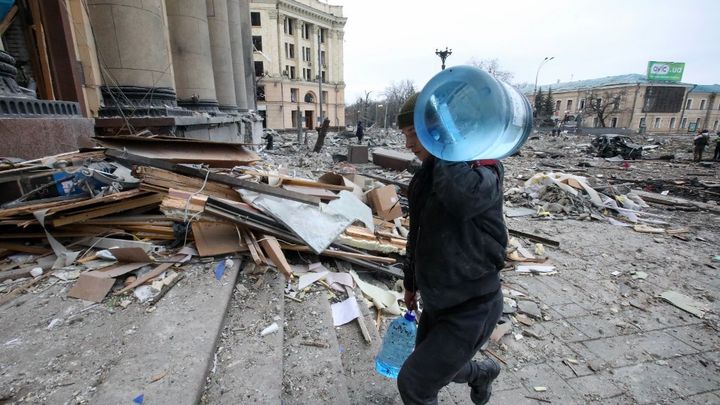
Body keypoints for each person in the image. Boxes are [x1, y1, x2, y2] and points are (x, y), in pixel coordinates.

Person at [395, 93, 506, 405]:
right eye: (405, 135)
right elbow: (416, 235)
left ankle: (479, 372)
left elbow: (463, 198)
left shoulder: (485, 168)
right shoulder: (425, 175)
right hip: (437, 301)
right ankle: (481, 373)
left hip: (474, 306)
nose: (408, 145)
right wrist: (411, 283)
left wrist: (446, 143)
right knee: (439, 367)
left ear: (440, 129)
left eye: (414, 133)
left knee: (415, 383)